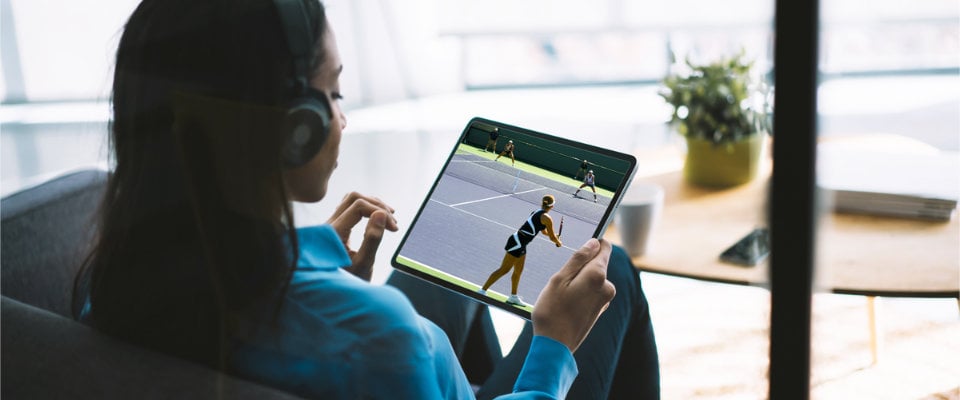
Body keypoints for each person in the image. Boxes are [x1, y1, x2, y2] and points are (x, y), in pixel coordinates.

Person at [72, 0, 660, 398]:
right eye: (332, 91)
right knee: (615, 270)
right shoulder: (382, 338)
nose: (342, 117)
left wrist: (325, 272)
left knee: (440, 264)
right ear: (293, 125)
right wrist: (554, 345)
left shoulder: (116, 287)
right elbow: (372, 349)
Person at [479, 195, 563, 305]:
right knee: (504, 269)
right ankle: (482, 291)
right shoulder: (547, 218)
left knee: (518, 271)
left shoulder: (537, 212)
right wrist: (558, 242)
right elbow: (552, 238)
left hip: (521, 243)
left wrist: (555, 237)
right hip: (517, 243)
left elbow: (545, 232)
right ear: (552, 206)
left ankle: (513, 297)